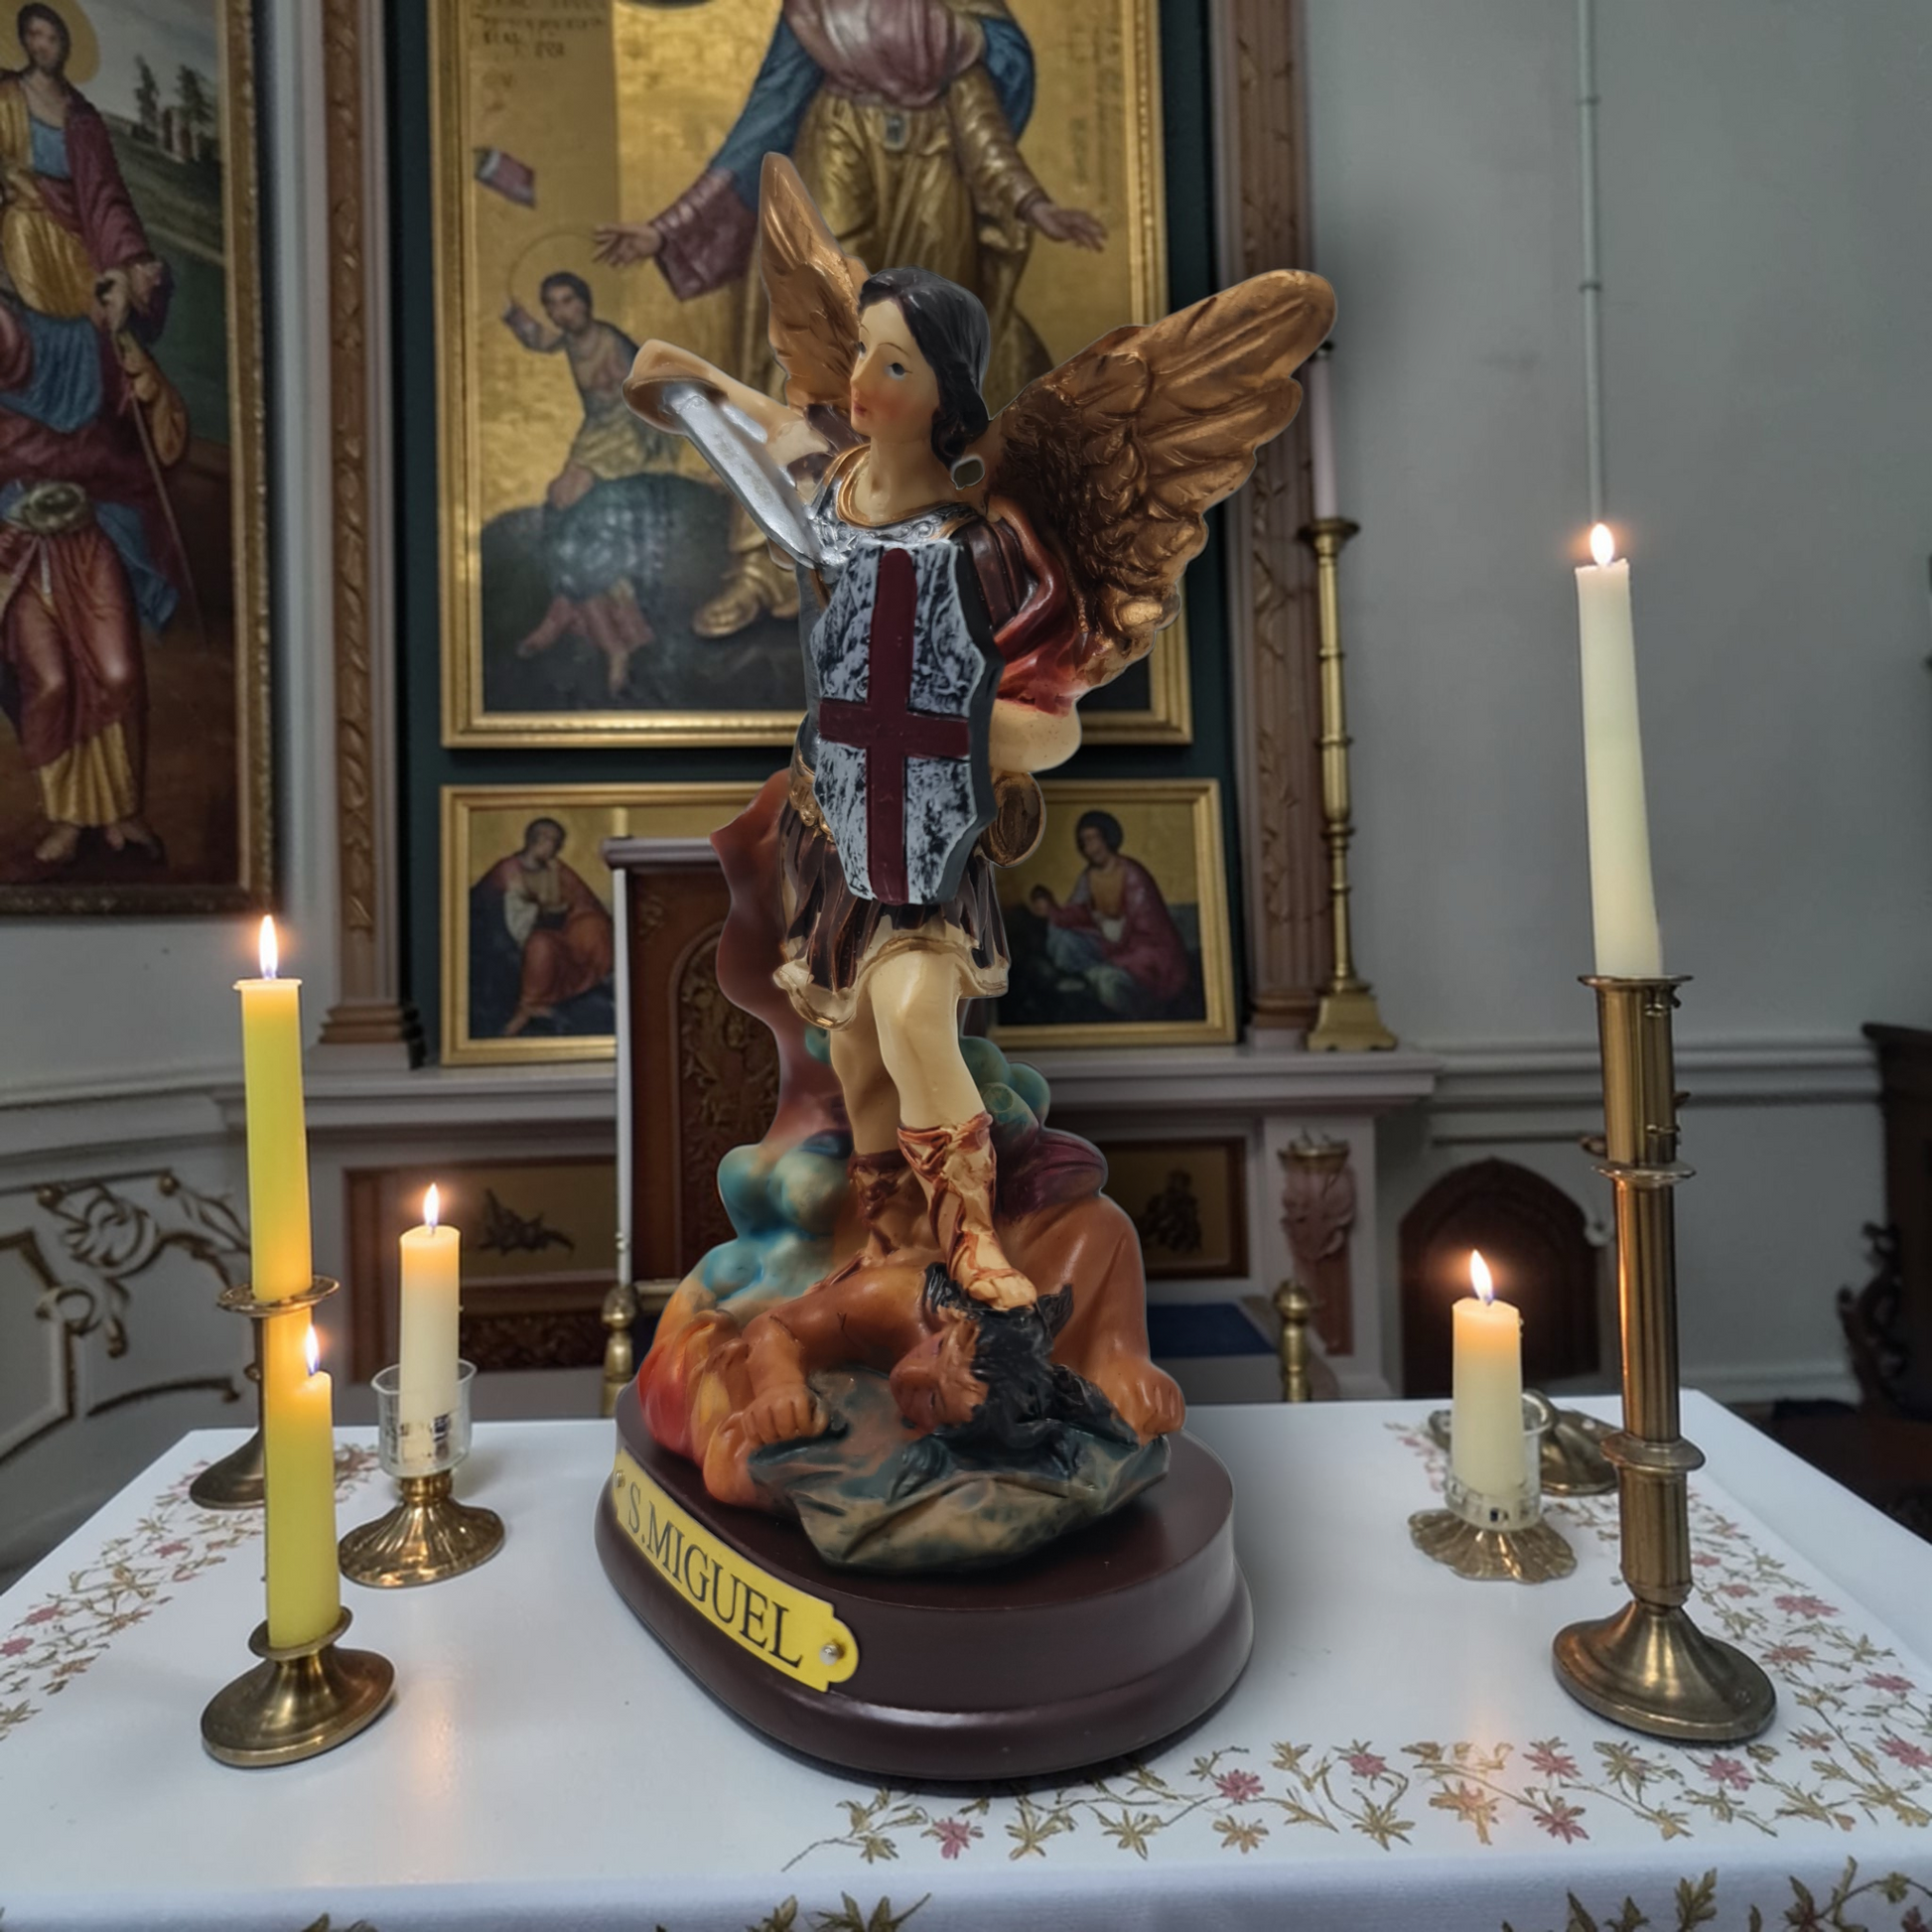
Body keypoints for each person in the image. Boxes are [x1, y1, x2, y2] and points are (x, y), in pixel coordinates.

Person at [593, 0, 1104, 640]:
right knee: (812, 345)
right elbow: (766, 115)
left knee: (935, 367)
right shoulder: (816, 11)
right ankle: (764, 566)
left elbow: (982, 107)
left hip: (938, 166)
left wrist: (1032, 204)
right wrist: (670, 229)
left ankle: (942, 567)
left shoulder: (954, 27)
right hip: (836, 145)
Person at [0, 1, 186, 867]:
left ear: (65, 44)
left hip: (90, 520)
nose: (42, 45)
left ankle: (122, 810)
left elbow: (107, 206)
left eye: (52, 36)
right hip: (23, 533)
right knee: (47, 676)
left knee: (111, 670)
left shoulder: (81, 121)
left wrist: (125, 279)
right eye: (32, 35)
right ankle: (70, 815)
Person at [499, 271, 678, 691]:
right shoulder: (569, 340)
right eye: (552, 305)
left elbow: (648, 389)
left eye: (568, 301)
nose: (561, 312)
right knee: (557, 501)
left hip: (623, 441)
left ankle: (579, 620)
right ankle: (566, 609)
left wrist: (623, 385)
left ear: (586, 301)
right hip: (595, 436)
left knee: (570, 513)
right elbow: (540, 341)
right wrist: (515, 318)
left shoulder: (610, 342)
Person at [1028, 809, 1191, 1017]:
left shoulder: (1132, 874)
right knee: (1061, 936)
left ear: (1107, 837)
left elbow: (1148, 925)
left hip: (1140, 945)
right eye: (1083, 842)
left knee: (1129, 971)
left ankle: (1097, 975)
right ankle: (1094, 973)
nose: (1088, 848)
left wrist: (1113, 933)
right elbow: (1077, 911)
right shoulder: (1088, 876)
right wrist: (1050, 907)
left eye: (1092, 839)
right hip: (1105, 942)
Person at [474, 817, 616, 1037]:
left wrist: (586, 918)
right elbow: (483, 903)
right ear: (536, 841)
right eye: (553, 842)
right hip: (518, 934)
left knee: (593, 926)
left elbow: (583, 901)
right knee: (541, 945)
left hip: (560, 931)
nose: (556, 848)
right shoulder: (508, 869)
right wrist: (536, 911)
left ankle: (595, 983)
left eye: (558, 844)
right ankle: (529, 1005)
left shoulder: (556, 869)